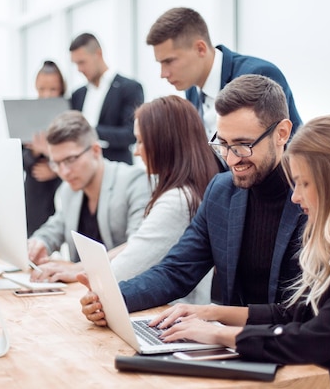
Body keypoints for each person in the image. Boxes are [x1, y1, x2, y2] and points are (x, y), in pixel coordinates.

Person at [150, 115, 330, 389]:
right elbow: (295, 315)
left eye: (303, 183)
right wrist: (212, 314)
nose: (295, 197)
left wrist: (218, 336)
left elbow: (312, 339)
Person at [79, 74, 305, 324]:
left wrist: (213, 316)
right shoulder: (222, 191)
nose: (230, 160)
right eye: (223, 145)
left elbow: (306, 313)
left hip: (291, 348)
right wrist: (113, 300)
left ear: (282, 133)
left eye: (243, 145)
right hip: (233, 349)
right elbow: (175, 271)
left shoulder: (312, 200)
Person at [109, 95, 219, 304]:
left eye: (141, 141)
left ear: (165, 143)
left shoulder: (178, 200)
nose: (136, 151)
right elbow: (137, 247)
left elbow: (120, 272)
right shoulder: (191, 190)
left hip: (171, 315)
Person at [28, 110, 149, 282]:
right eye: (56, 163)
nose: (64, 172)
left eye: (71, 160)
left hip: (125, 292)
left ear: (95, 150)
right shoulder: (68, 189)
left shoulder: (134, 183)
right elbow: (56, 226)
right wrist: (39, 242)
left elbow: (140, 246)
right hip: (84, 294)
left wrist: (79, 270)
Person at [146, 7, 302, 138]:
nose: (163, 73)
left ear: (200, 49)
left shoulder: (257, 74)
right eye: (160, 63)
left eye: (169, 61)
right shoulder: (191, 89)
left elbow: (286, 149)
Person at [69, 33, 144, 165]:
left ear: (98, 54)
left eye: (82, 62)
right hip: (83, 170)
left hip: (118, 169)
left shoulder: (129, 88)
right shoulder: (77, 95)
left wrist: (89, 131)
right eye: (76, 64)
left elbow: (130, 134)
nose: (79, 69)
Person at [22, 61, 64, 236]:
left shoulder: (69, 116)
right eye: (42, 89)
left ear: (61, 89)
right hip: (35, 192)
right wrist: (35, 151)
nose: (46, 95)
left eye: (52, 89)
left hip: (61, 185)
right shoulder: (25, 116)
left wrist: (54, 167)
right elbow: (20, 160)